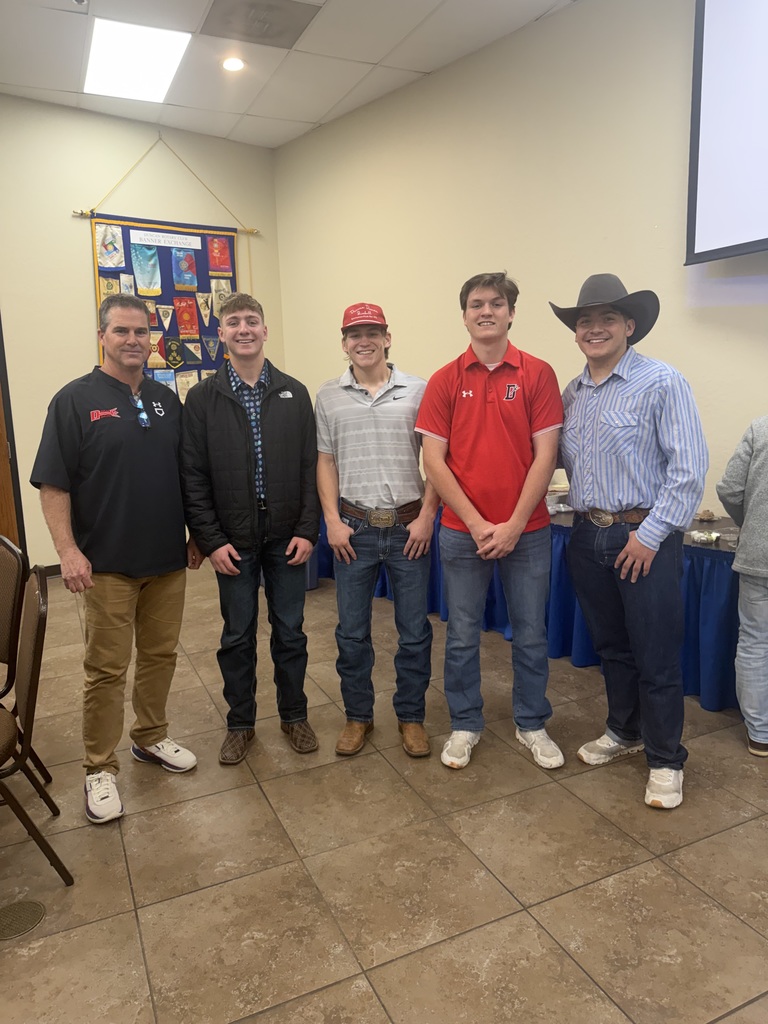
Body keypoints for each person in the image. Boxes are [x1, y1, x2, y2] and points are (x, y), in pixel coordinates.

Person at [31, 294, 199, 825]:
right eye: (121, 331)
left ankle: (150, 736)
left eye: (141, 333)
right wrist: (67, 551)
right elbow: (53, 484)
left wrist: (195, 534)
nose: (133, 341)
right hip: (104, 565)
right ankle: (99, 768)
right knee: (105, 669)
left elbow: (185, 475)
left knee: (160, 655)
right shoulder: (74, 401)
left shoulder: (167, 400)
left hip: (167, 560)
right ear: (102, 336)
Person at [552, 273, 708, 808]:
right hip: (586, 536)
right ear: (576, 332)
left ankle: (666, 758)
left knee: (656, 653)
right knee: (613, 647)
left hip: (645, 537)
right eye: (585, 321)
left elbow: (688, 471)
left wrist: (650, 534)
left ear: (629, 326)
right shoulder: (572, 394)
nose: (594, 329)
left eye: (607, 319)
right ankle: (624, 732)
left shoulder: (662, 382)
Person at [417, 272, 564, 771]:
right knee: (460, 633)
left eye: (496, 303)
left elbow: (545, 457)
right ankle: (464, 723)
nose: (486, 311)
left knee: (530, 632)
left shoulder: (537, 374)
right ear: (464, 315)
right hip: (462, 535)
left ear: (510, 313)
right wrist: (479, 523)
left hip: (530, 532)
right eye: (476, 304)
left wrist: (514, 525)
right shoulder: (444, 379)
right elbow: (434, 461)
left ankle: (531, 722)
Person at [181, 292, 320, 765]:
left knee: (291, 633)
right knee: (237, 636)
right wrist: (211, 539)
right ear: (220, 333)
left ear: (265, 330)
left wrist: (307, 528)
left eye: (252, 321)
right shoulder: (202, 398)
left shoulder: (293, 392)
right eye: (234, 322)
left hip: (287, 539)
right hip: (232, 544)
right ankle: (240, 724)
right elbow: (193, 476)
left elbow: (309, 468)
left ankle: (294, 716)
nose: (244, 329)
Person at [315, 302, 438, 757]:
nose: (362, 341)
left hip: (410, 530)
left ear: (388, 337)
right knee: (351, 633)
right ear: (344, 342)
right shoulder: (328, 395)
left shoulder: (419, 390)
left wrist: (428, 515)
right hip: (354, 530)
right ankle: (358, 717)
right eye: (353, 334)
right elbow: (325, 461)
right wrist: (331, 521)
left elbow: (437, 460)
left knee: (414, 632)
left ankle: (411, 717)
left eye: (372, 332)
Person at [717, 418, 768, 757]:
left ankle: (760, 734)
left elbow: (730, 489)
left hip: (759, 555)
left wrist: (751, 525)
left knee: (754, 643)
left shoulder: (761, 428)